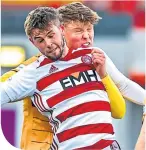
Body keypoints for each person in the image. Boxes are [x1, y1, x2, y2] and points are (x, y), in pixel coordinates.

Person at [1, 6, 127, 150]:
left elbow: (119, 111)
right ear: (32, 41)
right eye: (39, 39)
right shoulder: (32, 73)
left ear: (61, 29)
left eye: (50, 35)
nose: (48, 44)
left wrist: (104, 76)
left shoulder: (92, 57)